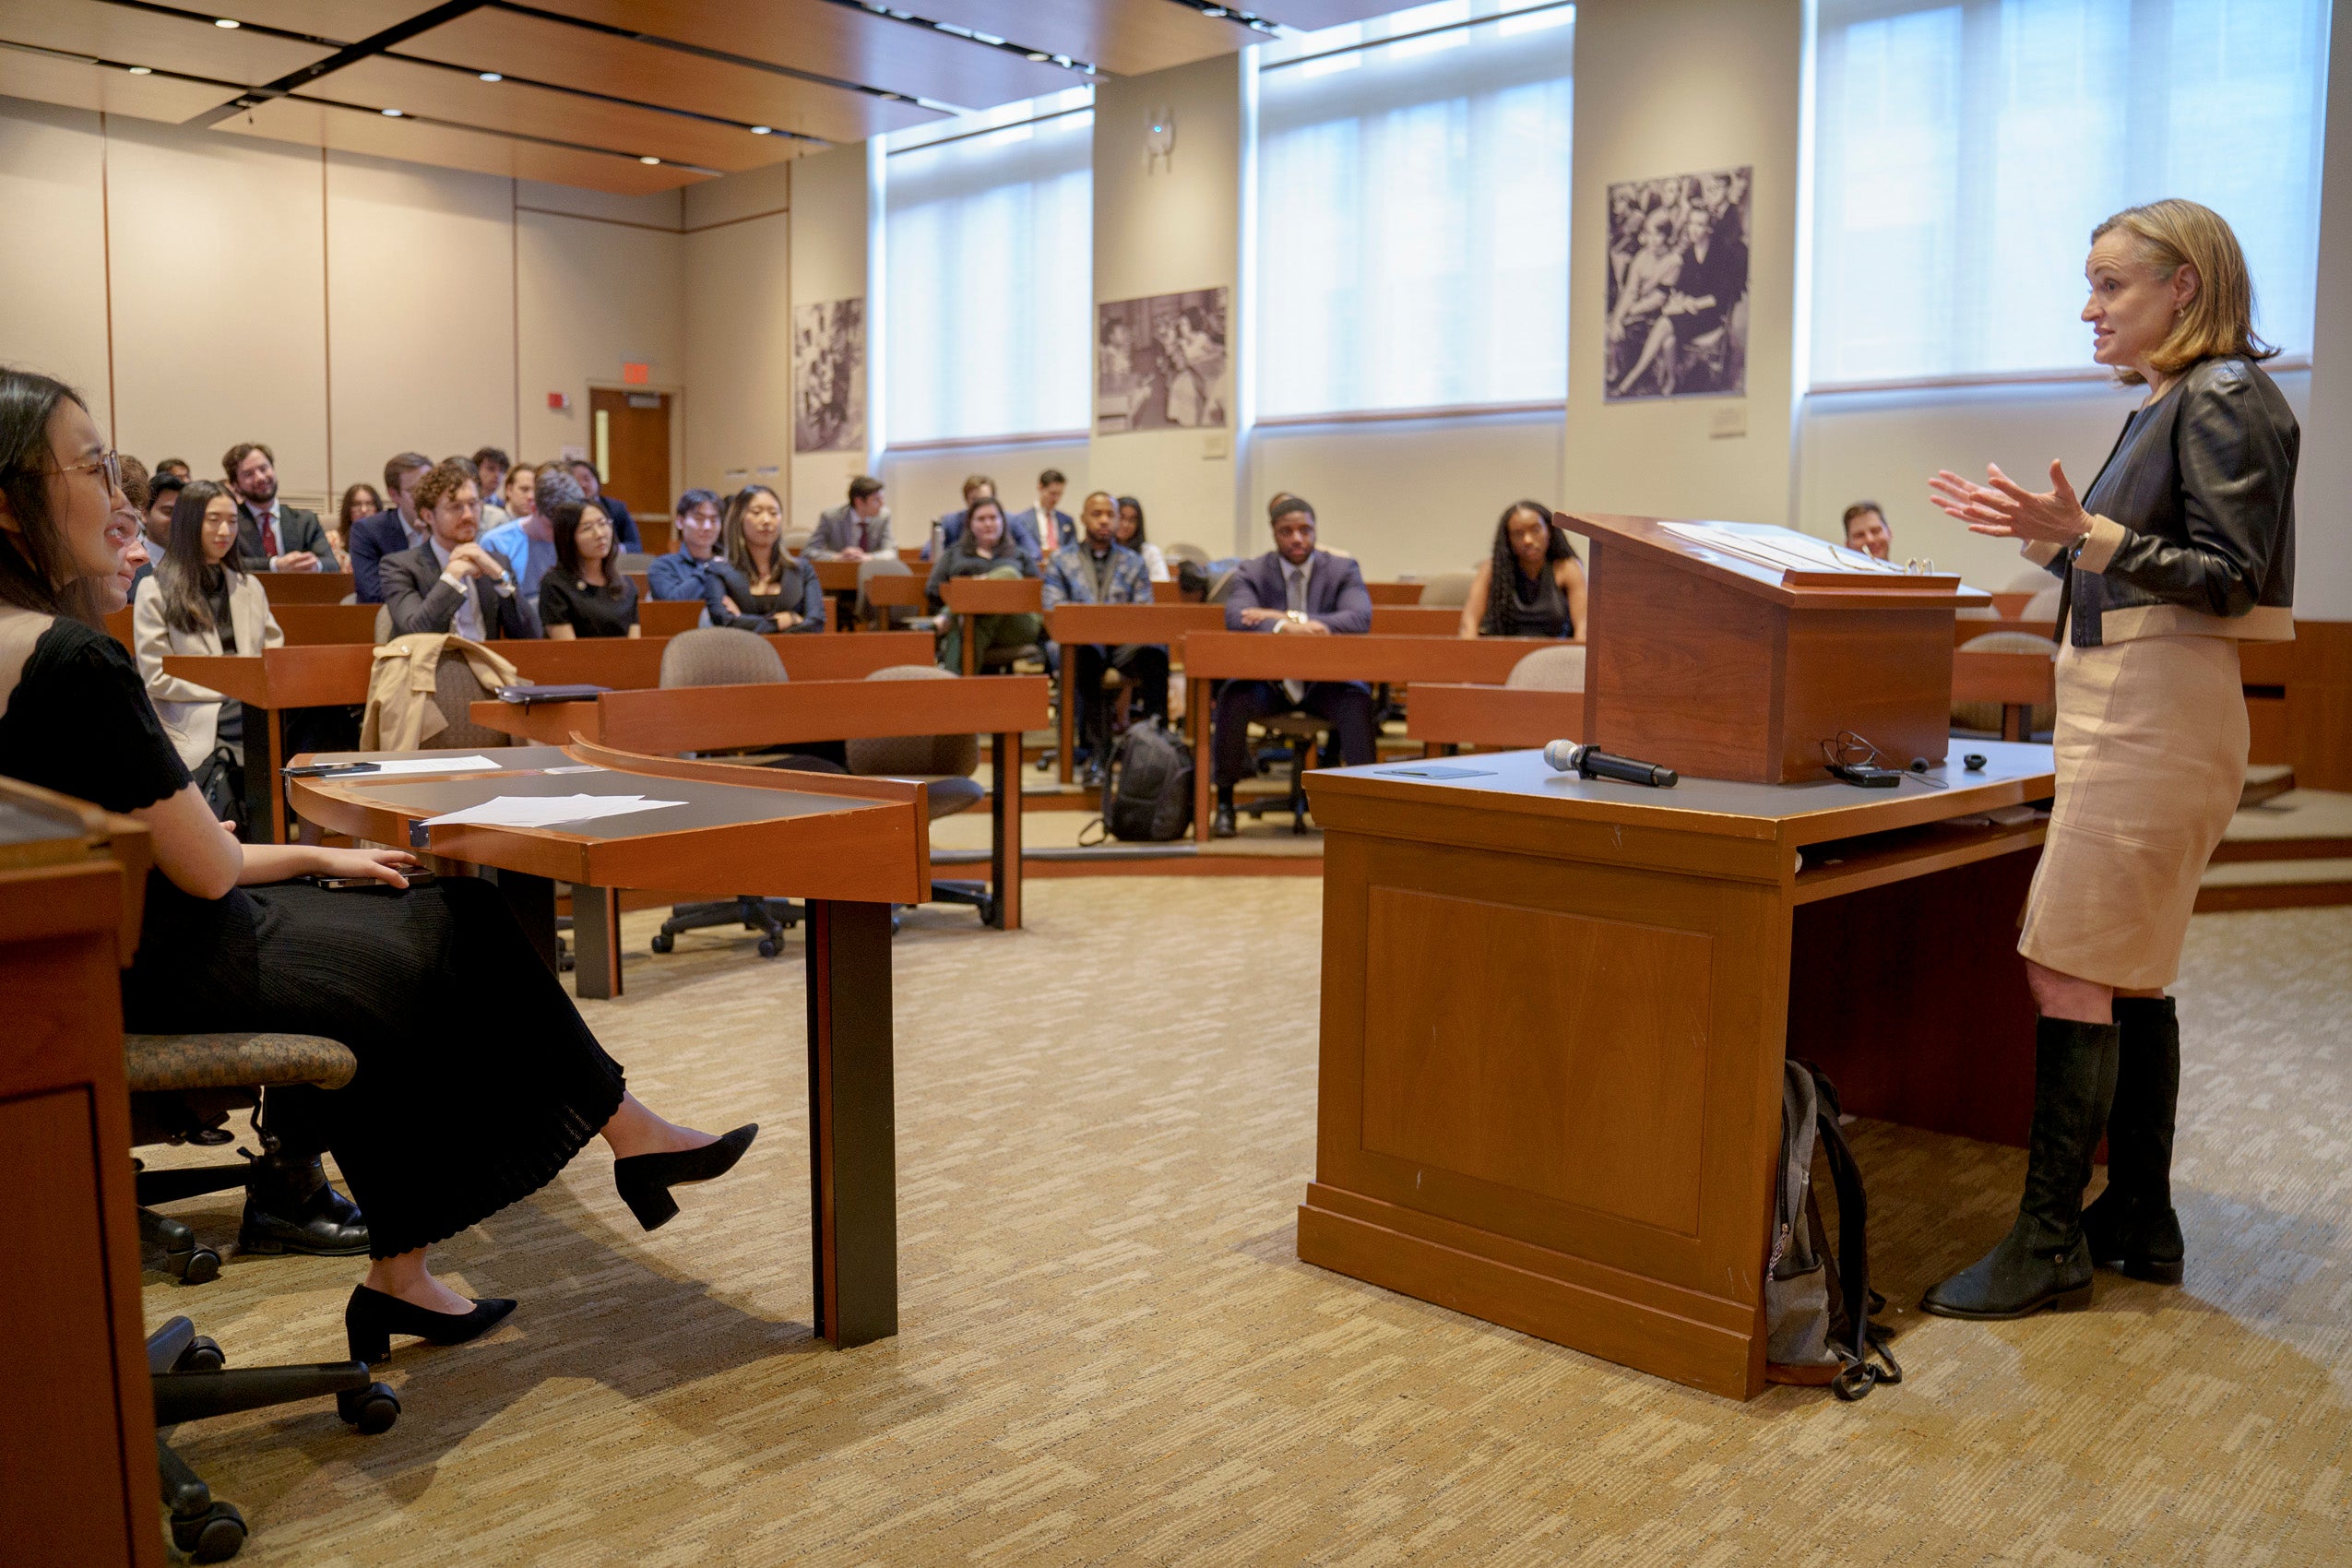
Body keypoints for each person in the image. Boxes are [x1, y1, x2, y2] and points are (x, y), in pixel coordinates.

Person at [0, 368, 756, 1343]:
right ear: (13, 502)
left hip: (78, 960)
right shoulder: (74, 658)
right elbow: (210, 870)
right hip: (176, 961)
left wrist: (313, 863)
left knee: (416, 914)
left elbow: (178, 852)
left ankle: (453, 1236)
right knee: (444, 926)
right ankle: (608, 1141)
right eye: (94, 465)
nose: (118, 494)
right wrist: (307, 861)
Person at [1921, 199, 2298, 1321]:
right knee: (2127, 965)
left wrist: (2085, 534)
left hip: (2156, 714)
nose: (2089, 308)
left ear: (2184, 286)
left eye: (2110, 285)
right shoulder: (2170, 401)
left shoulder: (2223, 392)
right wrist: (2048, 537)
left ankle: (2048, 1241)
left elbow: (2230, 570)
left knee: (2068, 957)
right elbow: (2146, 564)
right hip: (2133, 703)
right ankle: (2137, 1212)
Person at [1209, 495, 1374, 837]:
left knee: (1357, 700)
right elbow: (1237, 618)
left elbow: (1358, 618)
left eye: (1305, 530)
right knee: (1233, 698)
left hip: (1324, 683)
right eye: (1287, 531)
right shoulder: (1252, 570)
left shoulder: (1343, 569)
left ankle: (1365, 810)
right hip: (1270, 683)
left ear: (1315, 531)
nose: (1297, 538)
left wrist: (1284, 618)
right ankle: (1224, 803)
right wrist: (1296, 626)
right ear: (1274, 533)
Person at [132, 476, 285, 778]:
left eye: (232, 521)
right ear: (189, 523)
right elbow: (157, 676)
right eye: (213, 521)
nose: (225, 531)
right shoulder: (156, 589)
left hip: (252, 702)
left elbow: (273, 651)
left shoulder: (249, 586)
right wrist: (229, 690)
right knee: (253, 720)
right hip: (196, 709)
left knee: (318, 720)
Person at [1043, 491, 1163, 779]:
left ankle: (1156, 748)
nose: (1104, 521)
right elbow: (1053, 610)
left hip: (1125, 646)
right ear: (1084, 519)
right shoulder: (1061, 560)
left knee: (1157, 652)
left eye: (1111, 514)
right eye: (1097, 514)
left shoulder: (1133, 562)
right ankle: (1098, 753)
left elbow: (1145, 610)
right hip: (1082, 645)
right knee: (1086, 656)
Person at [379, 457, 536, 640]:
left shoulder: (496, 562)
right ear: (428, 515)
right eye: (455, 507)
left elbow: (531, 636)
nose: (469, 515)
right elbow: (414, 633)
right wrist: (452, 578)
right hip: (432, 665)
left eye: (473, 504)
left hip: (486, 664)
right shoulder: (400, 567)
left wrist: (500, 576)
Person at [926, 493, 1039, 671]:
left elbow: (1036, 592)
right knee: (973, 624)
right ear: (970, 524)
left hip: (1016, 623)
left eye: (993, 518)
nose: (988, 524)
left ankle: (950, 615)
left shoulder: (1018, 554)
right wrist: (976, 602)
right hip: (970, 623)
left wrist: (978, 587)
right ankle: (961, 693)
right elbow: (932, 589)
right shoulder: (955, 553)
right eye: (981, 519)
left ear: (1003, 522)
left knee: (1008, 572)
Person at [1461, 501, 1586, 640]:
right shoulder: (1491, 569)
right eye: (1518, 533)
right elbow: (1469, 625)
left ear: (1549, 531)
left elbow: (1583, 627)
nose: (1528, 540)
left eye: (1536, 530)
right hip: (1501, 654)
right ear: (1509, 540)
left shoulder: (1567, 569)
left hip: (1554, 655)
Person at [707, 483, 822, 633]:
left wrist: (744, 621)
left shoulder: (802, 570)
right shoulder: (719, 571)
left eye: (774, 513)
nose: (767, 520)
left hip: (795, 653)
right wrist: (789, 619)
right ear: (738, 519)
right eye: (756, 512)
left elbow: (815, 624)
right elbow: (725, 623)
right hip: (740, 654)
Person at [224, 441, 338, 572]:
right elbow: (228, 564)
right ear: (235, 485)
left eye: (263, 468)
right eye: (249, 474)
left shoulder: (306, 520)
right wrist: (275, 565)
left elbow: (332, 565)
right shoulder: (230, 522)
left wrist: (313, 565)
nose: (260, 477)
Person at [539, 499, 640, 639]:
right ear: (568, 538)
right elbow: (566, 651)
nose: (599, 534)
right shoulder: (555, 585)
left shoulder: (626, 585)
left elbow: (635, 648)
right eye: (587, 528)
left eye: (603, 524)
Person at [480, 461, 578, 605]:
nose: (559, 534)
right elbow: (492, 607)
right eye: (551, 526)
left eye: (565, 527)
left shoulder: (573, 539)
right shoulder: (496, 542)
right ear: (533, 507)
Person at [348, 453, 434, 604]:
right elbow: (373, 595)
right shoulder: (368, 531)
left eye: (430, 488)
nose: (427, 497)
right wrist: (425, 552)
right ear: (394, 495)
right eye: (416, 490)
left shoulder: (446, 527)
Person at [647, 486, 728, 618]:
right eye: (699, 519)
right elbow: (673, 606)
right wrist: (709, 569)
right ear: (680, 522)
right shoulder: (663, 566)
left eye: (714, 520)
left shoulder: (728, 563)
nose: (707, 527)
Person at [566, 458, 641, 552]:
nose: (583, 485)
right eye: (576, 481)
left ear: (597, 481)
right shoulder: (565, 512)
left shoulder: (616, 508)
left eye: (587, 479)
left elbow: (635, 546)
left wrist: (611, 550)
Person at [810, 474, 892, 560]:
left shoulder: (883, 516)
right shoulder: (830, 517)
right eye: (876, 500)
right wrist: (838, 557)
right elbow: (810, 552)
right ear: (859, 501)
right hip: (839, 570)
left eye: (882, 499)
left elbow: (891, 552)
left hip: (871, 570)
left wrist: (869, 557)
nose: (882, 504)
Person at [925, 473, 997, 559]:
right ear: (966, 500)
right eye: (975, 500)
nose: (981, 504)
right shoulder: (950, 522)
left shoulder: (1009, 522)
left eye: (985, 499)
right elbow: (926, 554)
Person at [1009, 468, 1075, 556]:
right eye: (1052, 493)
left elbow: (1073, 547)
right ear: (1040, 488)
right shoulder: (1021, 520)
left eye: (1059, 494)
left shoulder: (1067, 520)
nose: (1056, 499)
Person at [1114, 495, 1170, 581]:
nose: (1125, 525)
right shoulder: (1101, 551)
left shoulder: (1149, 552)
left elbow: (1161, 585)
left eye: (1132, 520)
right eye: (1121, 518)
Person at [333, 481, 383, 562]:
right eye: (356, 504)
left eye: (369, 504)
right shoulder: (332, 540)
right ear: (348, 509)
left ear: (377, 508)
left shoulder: (388, 538)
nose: (364, 510)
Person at [471, 446, 511, 529]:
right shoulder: (469, 505)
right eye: (491, 469)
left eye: (501, 470)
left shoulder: (506, 507)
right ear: (476, 470)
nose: (497, 475)